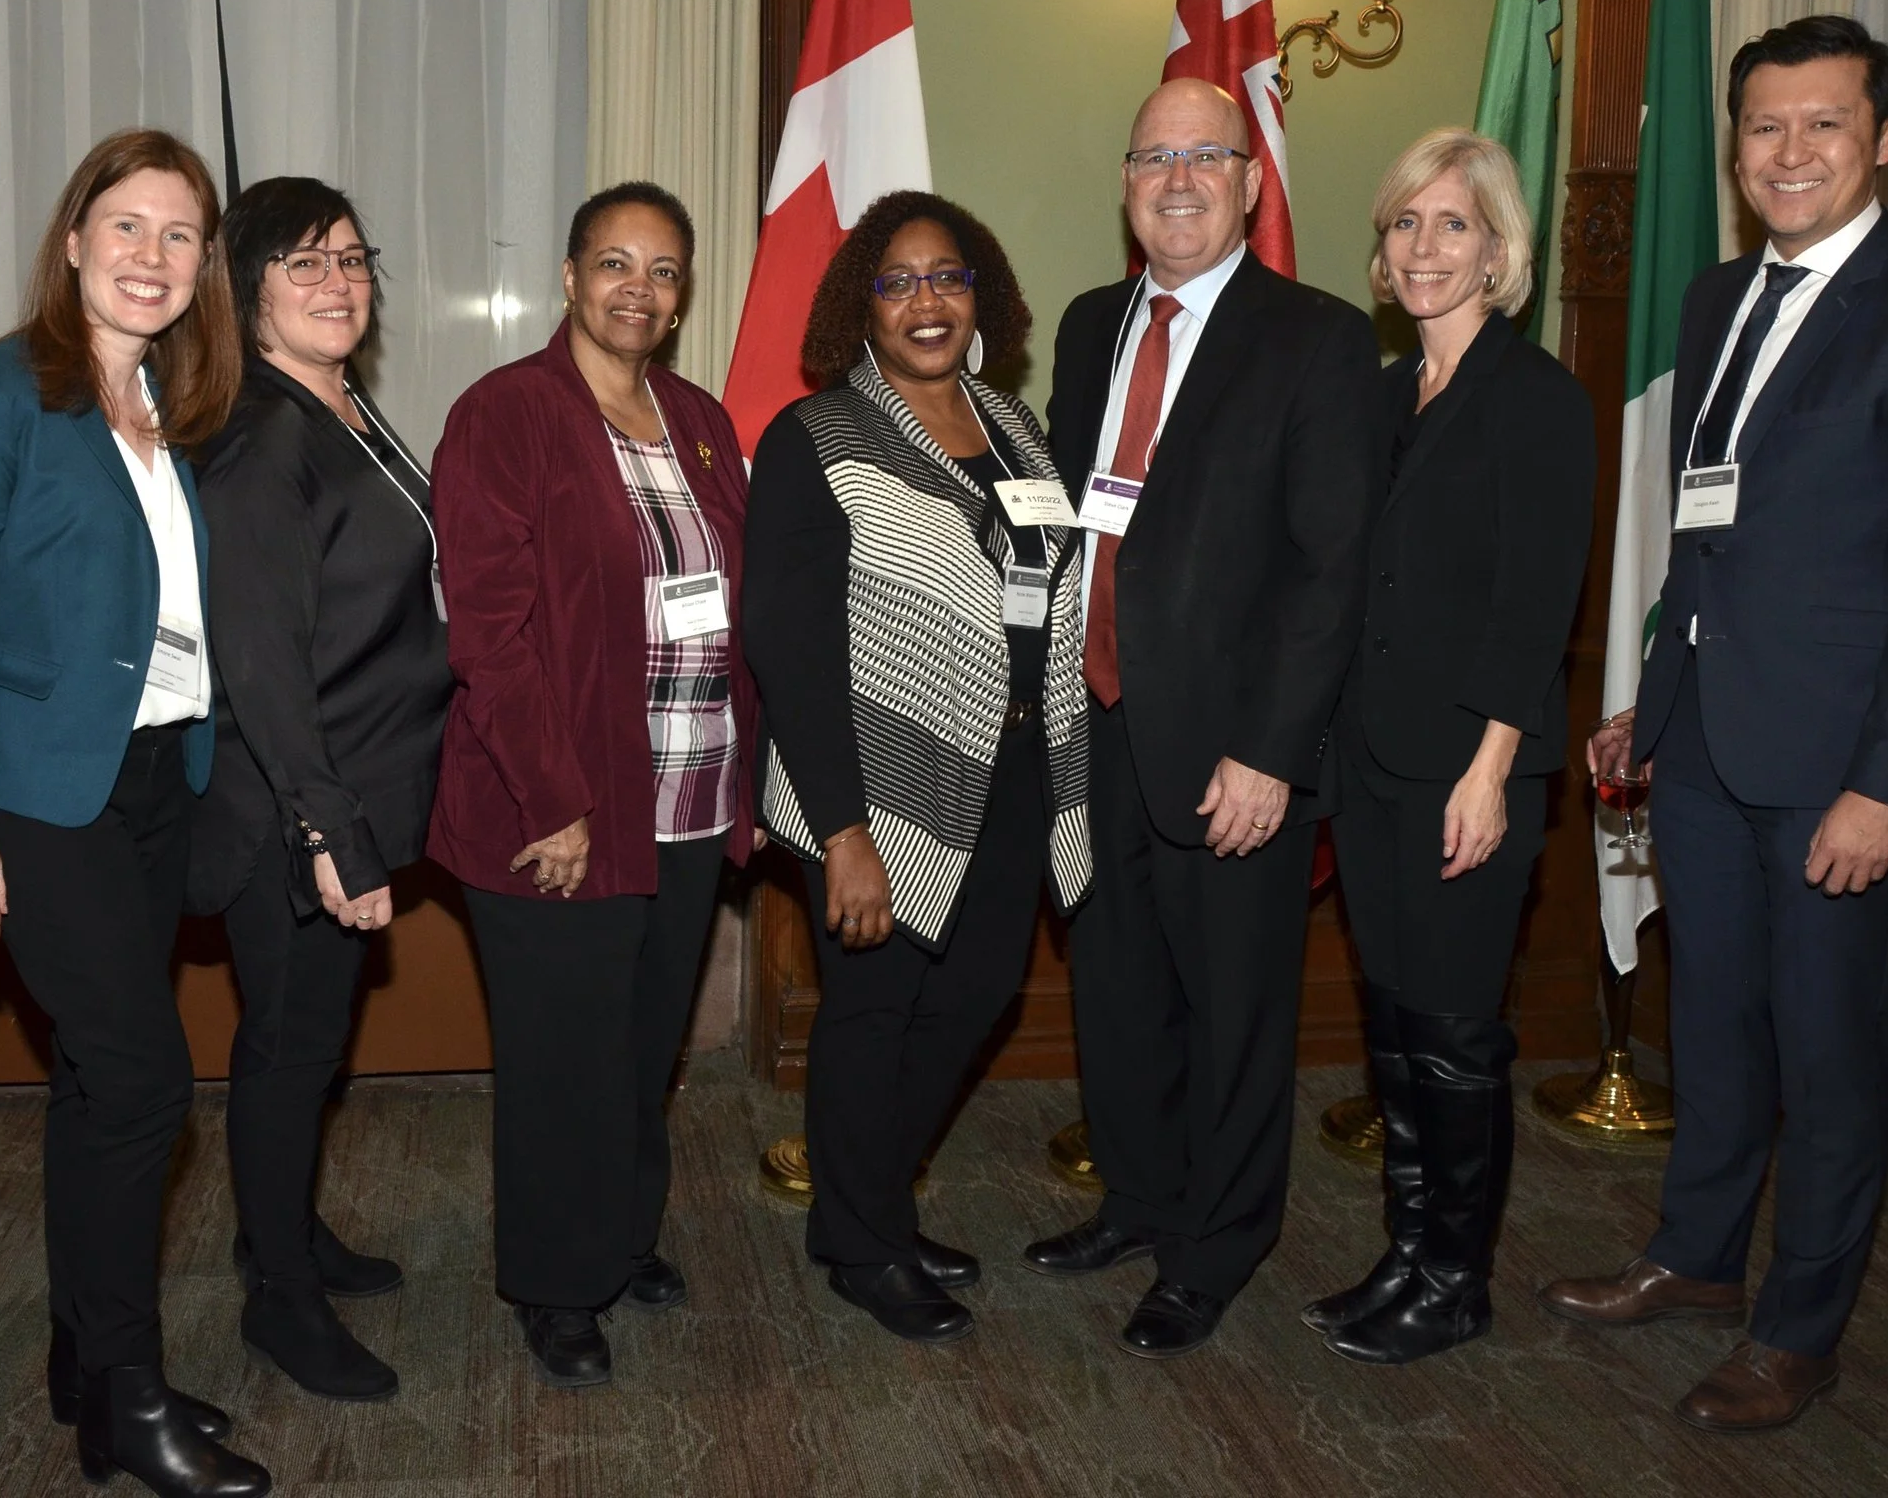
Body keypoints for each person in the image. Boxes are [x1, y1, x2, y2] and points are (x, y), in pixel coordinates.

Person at [1541, 17, 1888, 1431]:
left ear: (1884, 140)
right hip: (1703, 747)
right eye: (1764, 127)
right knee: (1715, 1026)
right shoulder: (1714, 298)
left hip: (1836, 770)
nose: (1789, 152)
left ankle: (1801, 1331)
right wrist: (1653, 698)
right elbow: (1709, 533)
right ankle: (1693, 1256)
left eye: (1824, 124)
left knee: (1828, 1057)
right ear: (1735, 147)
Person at [0, 129, 269, 1497]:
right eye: (127, 227)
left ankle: (82, 1363)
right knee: (147, 1082)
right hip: (38, 798)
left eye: (180, 236)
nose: (152, 256)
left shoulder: (161, 399)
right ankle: (131, 1399)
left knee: (96, 1085)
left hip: (152, 782)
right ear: (72, 240)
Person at [1026, 79, 1385, 1359]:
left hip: (1232, 749)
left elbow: (1329, 569)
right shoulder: (1088, 325)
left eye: (1203, 157)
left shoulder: (1318, 339)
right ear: (1125, 183)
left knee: (1234, 1011)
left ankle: (1216, 1246)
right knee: (1118, 987)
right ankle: (1139, 1198)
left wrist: (1271, 752)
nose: (1176, 180)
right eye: (1152, 158)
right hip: (1097, 725)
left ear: (1247, 181)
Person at [744, 191, 1090, 1345]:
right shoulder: (817, 439)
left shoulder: (1014, 426)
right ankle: (865, 1247)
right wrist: (843, 833)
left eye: (947, 277)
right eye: (898, 283)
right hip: (875, 779)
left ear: (978, 295)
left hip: (1012, 772)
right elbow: (789, 647)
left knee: (976, 997)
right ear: (863, 307)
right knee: (873, 1011)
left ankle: (866, 1208)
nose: (925, 301)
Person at [428, 181, 757, 1388]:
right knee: (562, 1059)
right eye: (614, 263)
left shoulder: (701, 420)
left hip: (688, 794)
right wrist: (553, 798)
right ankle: (556, 1283)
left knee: (640, 1044)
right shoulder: (506, 414)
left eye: (662, 271)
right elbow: (491, 632)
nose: (638, 288)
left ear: (681, 296)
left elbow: (738, 606)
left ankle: (619, 1234)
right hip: (560, 806)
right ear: (569, 278)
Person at [1304, 130, 1594, 1365]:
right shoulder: (1381, 398)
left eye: (1453, 224)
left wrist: (1488, 772)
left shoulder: (1536, 399)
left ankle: (1455, 1282)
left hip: (1468, 771)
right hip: (1371, 764)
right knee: (1396, 1023)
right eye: (1405, 223)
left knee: (1458, 1032)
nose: (1424, 246)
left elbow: (1535, 605)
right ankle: (1407, 1254)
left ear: (1497, 251)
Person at [189, 177, 447, 1401]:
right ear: (247, 291)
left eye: (351, 258)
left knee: (314, 1041)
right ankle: (277, 1301)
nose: (337, 282)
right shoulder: (261, 434)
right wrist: (327, 827)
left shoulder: (339, 402)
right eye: (304, 264)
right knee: (288, 1051)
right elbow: (260, 659)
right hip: (295, 806)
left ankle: (279, 1231)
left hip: (354, 784)